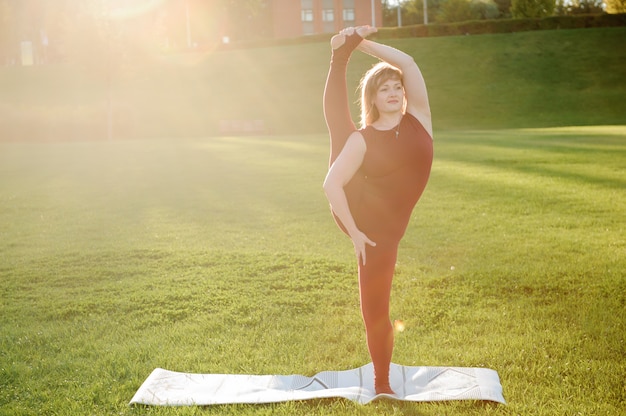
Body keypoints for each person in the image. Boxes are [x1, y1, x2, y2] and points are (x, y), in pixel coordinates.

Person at [322, 26, 433, 395]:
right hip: (363, 218)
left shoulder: (419, 119)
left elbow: (408, 62)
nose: (393, 92)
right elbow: (331, 184)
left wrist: (362, 43)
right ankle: (382, 384)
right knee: (375, 310)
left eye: (396, 87)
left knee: (380, 307)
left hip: (390, 227)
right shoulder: (363, 138)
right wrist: (354, 233)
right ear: (372, 97)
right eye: (383, 88)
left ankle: (344, 49)